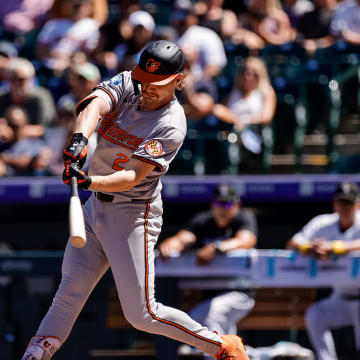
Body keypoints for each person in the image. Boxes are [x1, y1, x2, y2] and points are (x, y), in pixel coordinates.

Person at [21, 40, 250, 360]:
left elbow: (132, 176)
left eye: (158, 83)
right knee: (70, 288)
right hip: (95, 207)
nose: (147, 88)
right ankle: (38, 352)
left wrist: (88, 179)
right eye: (145, 79)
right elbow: (95, 105)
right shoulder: (131, 82)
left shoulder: (171, 125)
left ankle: (223, 346)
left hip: (132, 214)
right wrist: (79, 141)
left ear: (179, 81)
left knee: (142, 314)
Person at [158, 184, 257, 359]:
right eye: (219, 204)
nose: (222, 209)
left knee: (216, 312)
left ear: (236, 205)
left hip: (240, 293)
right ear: (212, 205)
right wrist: (172, 244)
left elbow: (247, 240)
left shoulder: (244, 218)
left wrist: (217, 247)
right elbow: (184, 237)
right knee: (193, 319)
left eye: (227, 205)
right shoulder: (204, 221)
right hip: (211, 295)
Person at [286, 181, 360, 360]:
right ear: (335, 203)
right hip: (341, 297)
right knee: (316, 315)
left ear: (357, 204)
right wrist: (309, 248)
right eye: (341, 202)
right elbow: (292, 243)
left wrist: (339, 247)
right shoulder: (323, 223)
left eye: (349, 203)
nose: (345, 207)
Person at [212, 57, 276, 171]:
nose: (248, 76)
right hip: (231, 129)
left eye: (253, 73)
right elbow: (223, 109)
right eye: (245, 72)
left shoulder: (266, 92)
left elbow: (267, 117)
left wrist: (244, 120)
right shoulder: (235, 91)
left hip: (253, 132)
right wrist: (235, 119)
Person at [0, 57, 57, 127]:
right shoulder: (2, 96)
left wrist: (18, 132)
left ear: (31, 79)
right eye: (12, 79)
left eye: (21, 79)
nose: (17, 83)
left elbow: (47, 127)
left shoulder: (41, 96)